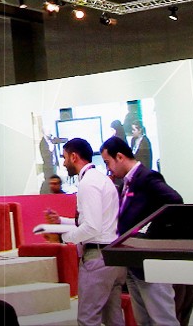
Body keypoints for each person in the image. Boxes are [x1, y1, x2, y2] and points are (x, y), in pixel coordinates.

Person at [100, 136, 183, 326]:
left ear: (120, 157)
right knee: (143, 320)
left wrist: (150, 235)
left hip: (150, 262)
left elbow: (175, 203)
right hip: (133, 263)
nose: (108, 169)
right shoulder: (126, 183)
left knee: (163, 320)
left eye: (108, 162)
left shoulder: (147, 178)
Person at [39, 138, 122, 326]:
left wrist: (62, 237)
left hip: (98, 258)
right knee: (114, 320)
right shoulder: (100, 179)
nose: (63, 163)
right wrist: (62, 221)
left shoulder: (88, 183)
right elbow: (99, 222)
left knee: (87, 319)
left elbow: (92, 227)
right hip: (113, 256)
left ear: (74, 157)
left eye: (65, 158)